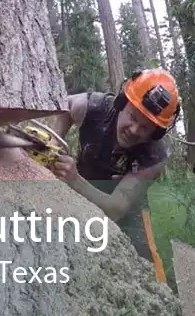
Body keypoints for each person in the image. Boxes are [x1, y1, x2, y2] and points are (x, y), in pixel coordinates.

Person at [47, 68, 181, 284]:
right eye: (132, 117)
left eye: (145, 128)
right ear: (121, 103)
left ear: (156, 133)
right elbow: (66, 106)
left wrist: (73, 180)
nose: (134, 129)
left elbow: (117, 209)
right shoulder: (96, 106)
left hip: (126, 205)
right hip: (84, 183)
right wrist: (54, 143)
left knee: (147, 261)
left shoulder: (154, 158)